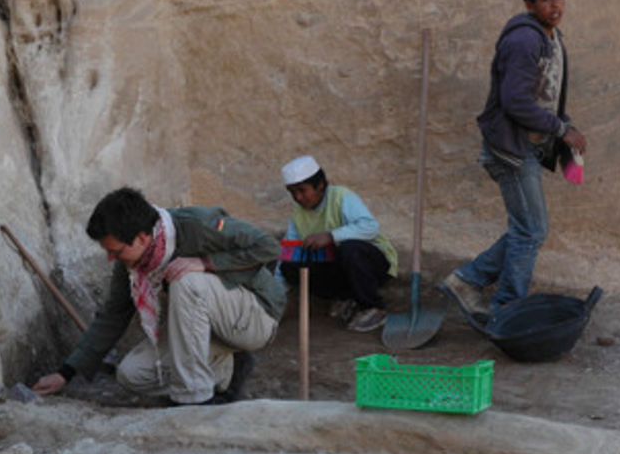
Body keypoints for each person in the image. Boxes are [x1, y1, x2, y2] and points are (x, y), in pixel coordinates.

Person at [32, 187, 285, 406]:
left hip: (254, 317)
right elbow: (113, 315)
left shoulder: (196, 225)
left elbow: (269, 247)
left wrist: (205, 262)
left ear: (141, 238)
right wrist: (66, 373)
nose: (112, 258)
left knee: (186, 279)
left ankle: (196, 399)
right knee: (132, 374)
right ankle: (228, 371)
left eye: (116, 251)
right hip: (207, 333)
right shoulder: (132, 261)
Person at [439, 0, 587, 316]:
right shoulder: (524, 40)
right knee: (531, 230)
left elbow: (545, 94)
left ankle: (468, 281)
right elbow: (515, 101)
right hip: (510, 150)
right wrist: (559, 128)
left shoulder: (552, 37)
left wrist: (563, 125)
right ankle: (506, 305)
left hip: (527, 146)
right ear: (529, 4)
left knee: (530, 229)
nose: (555, 5)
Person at [278, 155, 398, 332]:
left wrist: (331, 236)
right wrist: (275, 297)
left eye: (302, 191)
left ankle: (374, 307)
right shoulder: (297, 215)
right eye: (293, 193)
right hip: (340, 269)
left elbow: (370, 227)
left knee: (350, 249)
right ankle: (346, 298)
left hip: (371, 264)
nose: (298, 197)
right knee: (289, 266)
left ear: (320, 186)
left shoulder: (342, 196)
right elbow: (287, 252)